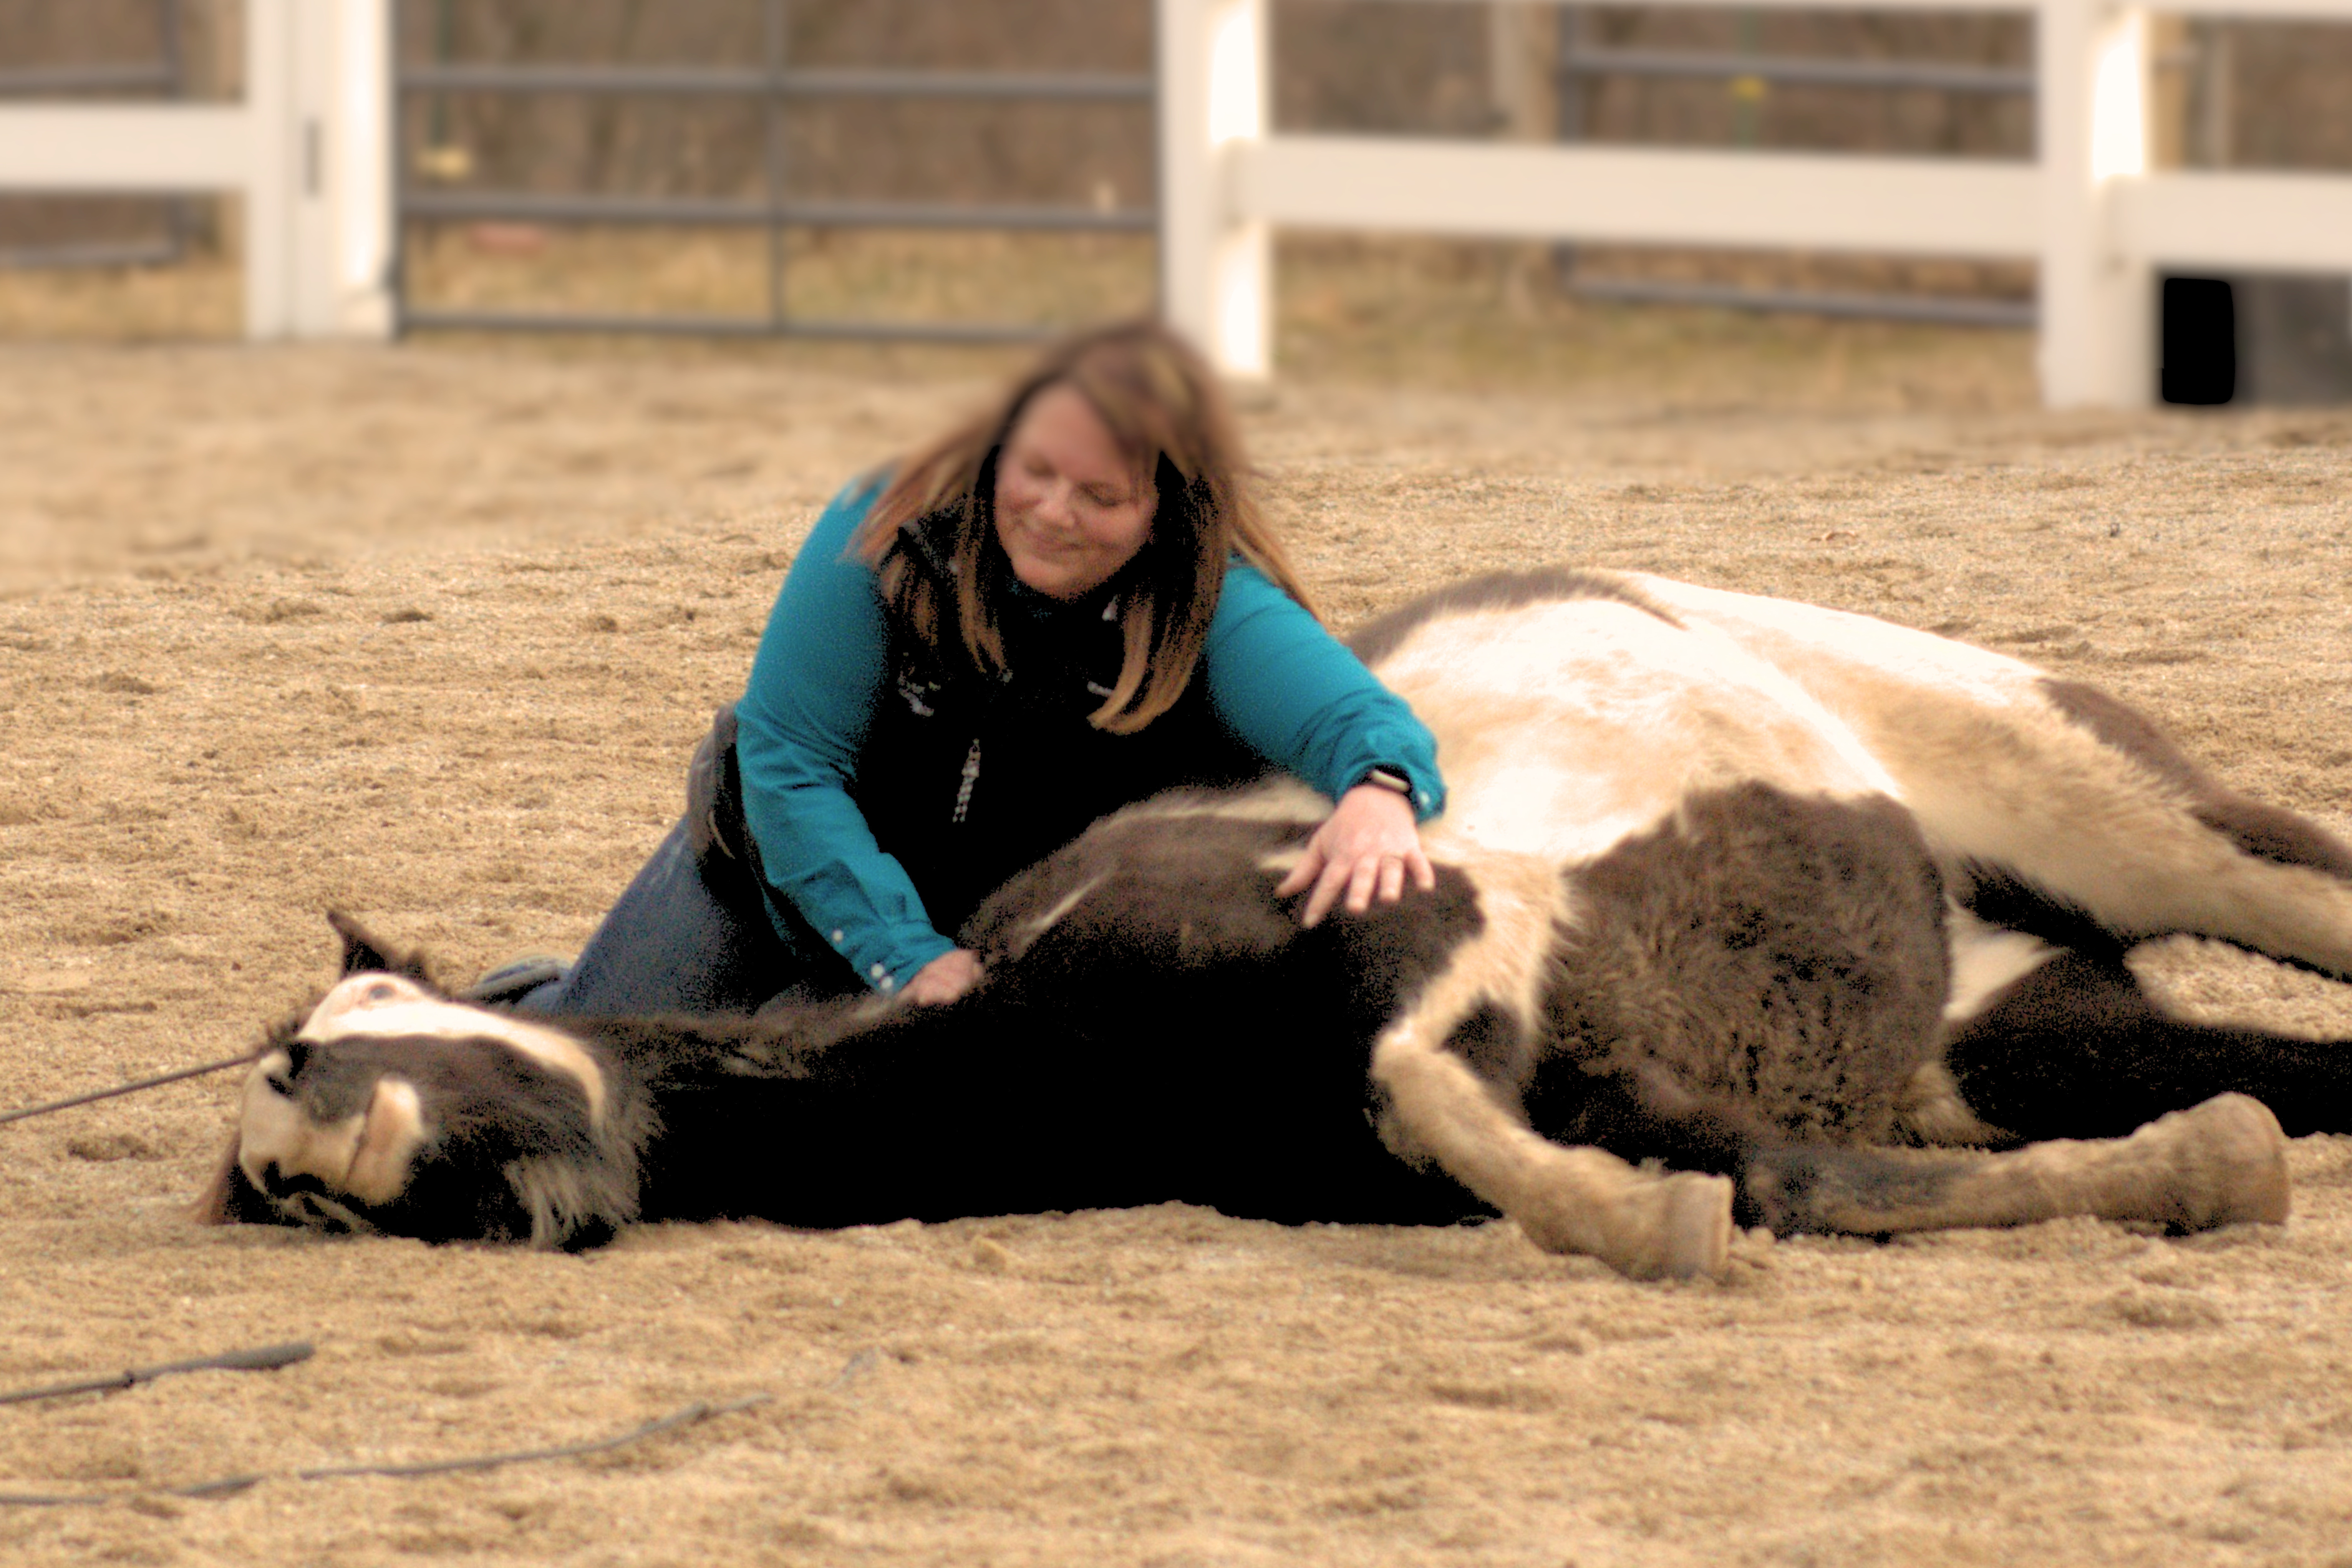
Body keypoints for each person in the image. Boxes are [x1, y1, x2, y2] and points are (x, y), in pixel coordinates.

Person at [499, 319, 1444, 1018]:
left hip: (981, 943)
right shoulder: (889, 526)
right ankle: (506, 1005)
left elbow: (1356, 720)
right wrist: (902, 954)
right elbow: (788, 761)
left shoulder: (1207, 603)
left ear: (1164, 510)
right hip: (776, 883)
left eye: (1101, 495)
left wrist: (1380, 791)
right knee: (580, 1059)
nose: (1054, 512)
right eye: (1036, 470)